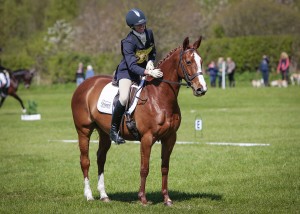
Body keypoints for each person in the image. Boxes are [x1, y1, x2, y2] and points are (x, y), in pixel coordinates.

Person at [110, 8, 163, 144]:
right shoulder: (127, 42)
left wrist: (151, 61)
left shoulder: (149, 34)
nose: (142, 27)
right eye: (139, 25)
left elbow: (153, 51)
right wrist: (149, 72)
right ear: (132, 26)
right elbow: (132, 66)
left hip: (144, 69)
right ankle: (114, 130)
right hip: (127, 72)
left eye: (144, 24)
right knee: (124, 97)